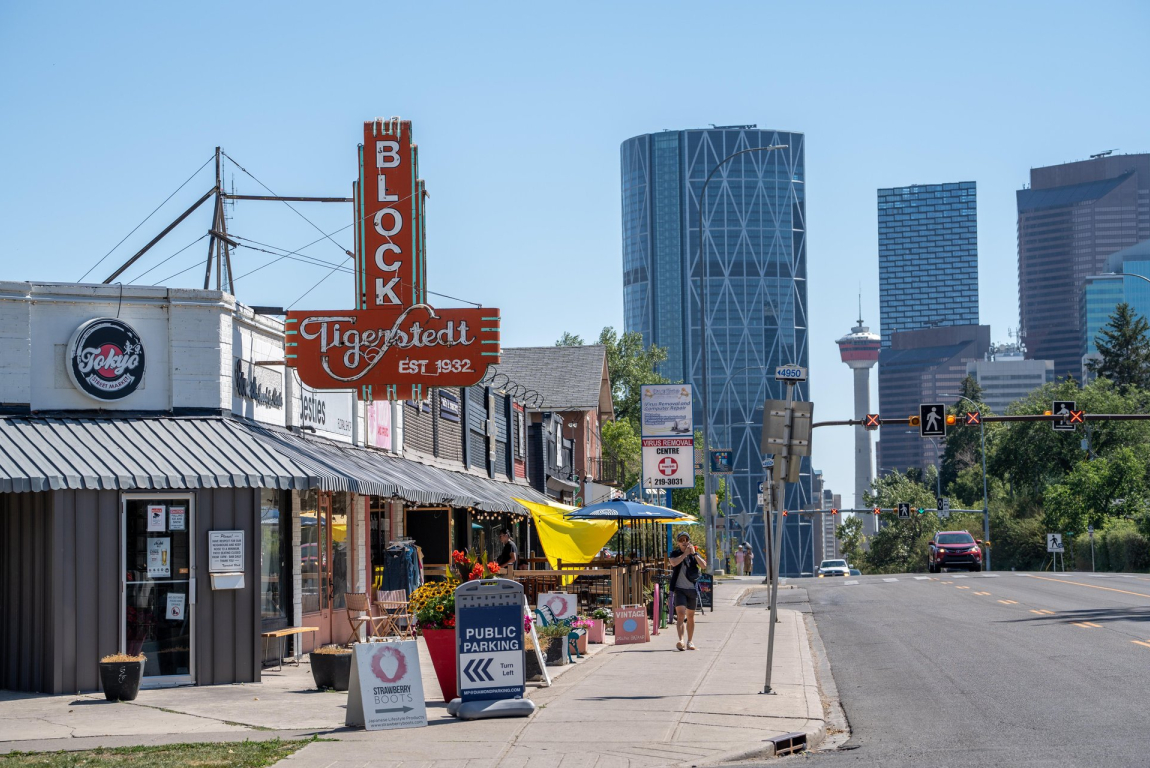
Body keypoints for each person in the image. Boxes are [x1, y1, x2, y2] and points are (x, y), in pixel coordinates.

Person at [669, 532, 706, 651]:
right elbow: (673, 562)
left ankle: (690, 641)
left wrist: (694, 554)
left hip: (692, 589)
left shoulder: (694, 554)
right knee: (680, 615)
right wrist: (685, 554)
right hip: (679, 589)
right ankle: (681, 641)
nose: (684, 542)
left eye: (686, 539)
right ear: (678, 543)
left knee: (690, 616)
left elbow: (704, 566)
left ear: (689, 541)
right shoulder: (675, 553)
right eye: (681, 540)